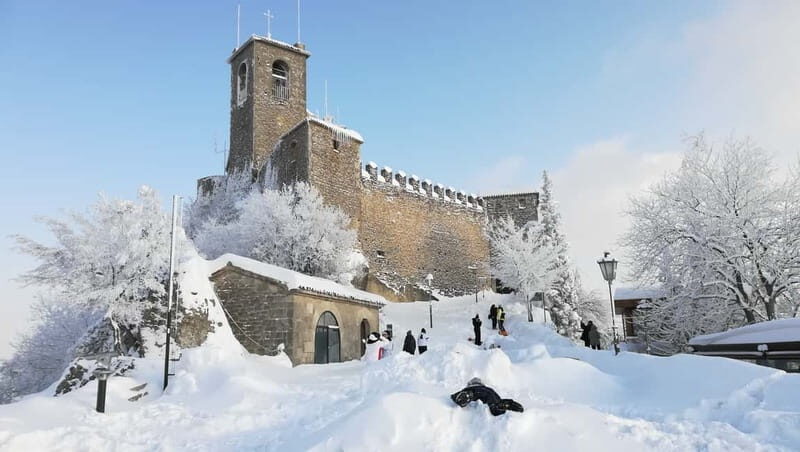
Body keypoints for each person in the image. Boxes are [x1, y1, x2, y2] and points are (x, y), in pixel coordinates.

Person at [450, 377, 524, 416]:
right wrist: (510, 403)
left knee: (471, 394)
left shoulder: (471, 388)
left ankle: (466, 396)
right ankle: (506, 405)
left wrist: (453, 396)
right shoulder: (488, 389)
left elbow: (456, 395)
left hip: (475, 393)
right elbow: (498, 399)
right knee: (497, 403)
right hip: (490, 397)